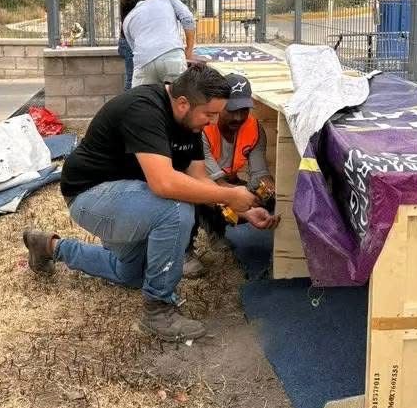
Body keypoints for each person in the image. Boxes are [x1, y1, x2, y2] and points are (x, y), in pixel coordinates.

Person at [23, 65, 261, 342]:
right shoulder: (144, 110)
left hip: (130, 199)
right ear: (183, 103)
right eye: (209, 114)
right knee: (176, 209)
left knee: (131, 274)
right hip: (88, 195)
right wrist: (229, 195)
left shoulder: (190, 122)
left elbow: (198, 178)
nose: (212, 122)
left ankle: (48, 246)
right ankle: (158, 310)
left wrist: (240, 209)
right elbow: (164, 184)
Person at [184, 72, 279, 277]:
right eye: (232, 110)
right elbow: (214, 184)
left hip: (227, 182)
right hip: (201, 182)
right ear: (219, 106)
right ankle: (186, 250)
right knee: (193, 198)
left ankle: (218, 230)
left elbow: (260, 173)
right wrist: (243, 201)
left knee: (266, 199)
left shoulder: (254, 129)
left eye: (244, 110)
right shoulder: (203, 129)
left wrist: (266, 188)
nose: (238, 117)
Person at [121, 0, 196, 87]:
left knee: (140, 95)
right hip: (171, 54)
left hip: (143, 63)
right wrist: (189, 49)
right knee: (179, 94)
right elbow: (188, 19)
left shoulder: (127, 21)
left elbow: (134, 49)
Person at [117, 0, 154, 90]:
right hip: (130, 42)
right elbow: (137, 21)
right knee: (132, 81)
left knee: (135, 80)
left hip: (133, 41)